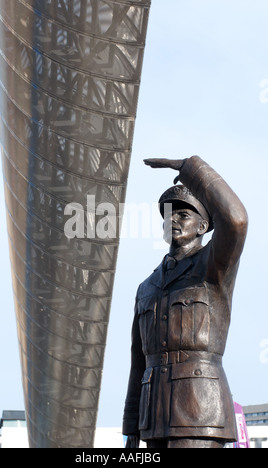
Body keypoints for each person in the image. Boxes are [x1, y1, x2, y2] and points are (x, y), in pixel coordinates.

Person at [122, 156, 248, 448]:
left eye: (183, 214)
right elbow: (137, 362)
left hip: (200, 414)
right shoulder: (146, 287)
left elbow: (237, 220)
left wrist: (190, 169)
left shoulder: (212, 267)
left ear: (203, 226)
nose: (172, 219)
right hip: (152, 420)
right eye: (168, 214)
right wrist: (131, 428)